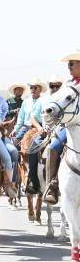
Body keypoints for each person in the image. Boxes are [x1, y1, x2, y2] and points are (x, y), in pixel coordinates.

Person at [43, 51, 80, 204]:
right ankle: (52, 185)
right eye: (68, 64)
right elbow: (53, 105)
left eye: (71, 64)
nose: (68, 67)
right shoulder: (67, 85)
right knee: (53, 148)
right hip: (70, 126)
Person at [12, 78, 49, 195]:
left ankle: (34, 180)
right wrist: (15, 130)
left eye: (35, 87)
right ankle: (13, 179)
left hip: (39, 128)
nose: (32, 89)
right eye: (31, 87)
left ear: (40, 89)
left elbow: (45, 117)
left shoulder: (44, 101)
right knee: (13, 147)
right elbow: (21, 118)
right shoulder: (26, 102)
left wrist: (43, 128)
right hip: (25, 127)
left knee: (34, 148)